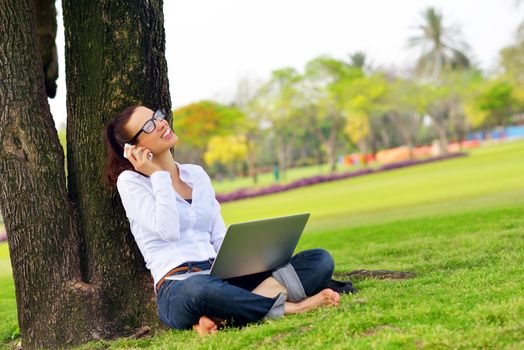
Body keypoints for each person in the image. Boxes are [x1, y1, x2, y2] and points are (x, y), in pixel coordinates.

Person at [103, 105, 340, 335]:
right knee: (200, 289)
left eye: (157, 116)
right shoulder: (131, 182)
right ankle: (292, 307)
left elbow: (218, 236)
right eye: (149, 125)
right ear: (133, 148)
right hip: (178, 286)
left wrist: (249, 261)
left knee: (319, 260)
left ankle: (222, 316)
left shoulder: (195, 174)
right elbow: (168, 231)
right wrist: (157, 175)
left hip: (221, 277)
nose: (161, 123)